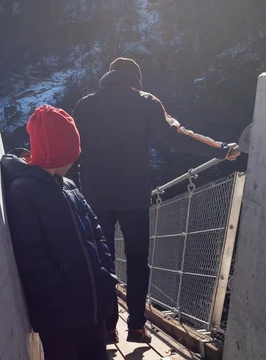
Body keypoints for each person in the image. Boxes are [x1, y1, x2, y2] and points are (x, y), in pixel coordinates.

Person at [69, 57, 240, 344]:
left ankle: (108, 327)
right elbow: (176, 136)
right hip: (134, 196)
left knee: (102, 261)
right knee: (137, 261)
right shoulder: (145, 102)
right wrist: (221, 150)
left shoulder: (85, 105)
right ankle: (136, 326)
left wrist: (72, 191)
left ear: (109, 77)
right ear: (135, 79)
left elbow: (72, 150)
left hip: (95, 197)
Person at [1, 105, 119, 360]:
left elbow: (96, 232)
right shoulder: (24, 191)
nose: (75, 158)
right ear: (56, 154)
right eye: (71, 153)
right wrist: (58, 293)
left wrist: (105, 275)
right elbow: (31, 256)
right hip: (59, 314)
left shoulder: (69, 186)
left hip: (92, 304)